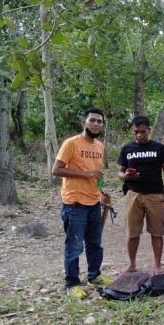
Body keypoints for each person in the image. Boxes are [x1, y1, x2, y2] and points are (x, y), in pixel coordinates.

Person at [52, 108, 113, 299]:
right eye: (92, 120)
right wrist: (85, 175)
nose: (96, 124)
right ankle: (72, 283)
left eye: (99, 122)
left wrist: (101, 190)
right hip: (74, 203)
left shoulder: (100, 146)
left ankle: (94, 276)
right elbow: (56, 170)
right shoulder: (71, 144)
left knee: (95, 243)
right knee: (74, 245)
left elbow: (98, 173)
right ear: (84, 123)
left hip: (94, 202)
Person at [117, 116, 164, 276]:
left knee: (157, 232)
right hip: (133, 195)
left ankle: (157, 266)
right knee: (132, 233)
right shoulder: (127, 149)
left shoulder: (159, 148)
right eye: (135, 132)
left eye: (142, 132)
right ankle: (131, 265)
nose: (139, 135)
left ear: (149, 130)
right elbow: (119, 172)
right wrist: (125, 176)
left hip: (155, 195)